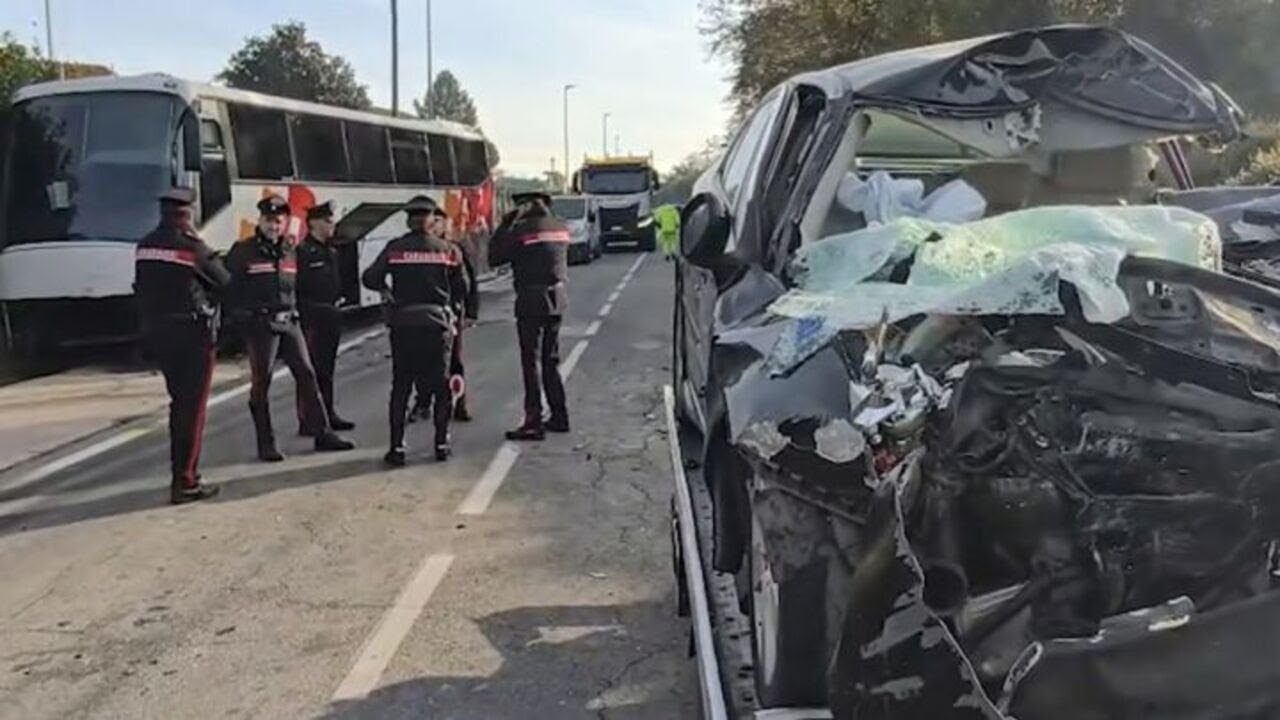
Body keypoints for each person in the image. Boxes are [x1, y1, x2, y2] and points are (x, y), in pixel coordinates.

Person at [225, 194, 355, 462]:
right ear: (260, 221)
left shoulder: (290, 250)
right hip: (261, 326)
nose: (274, 226)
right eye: (269, 221)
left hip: (290, 322)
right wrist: (242, 318)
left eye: (278, 222)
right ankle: (266, 443)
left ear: (285, 224)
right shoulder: (243, 251)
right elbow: (228, 289)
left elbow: (300, 286)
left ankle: (322, 433)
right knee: (262, 384)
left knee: (307, 375)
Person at [134, 187, 230, 504]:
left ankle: (183, 474)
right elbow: (225, 282)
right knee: (193, 410)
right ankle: (186, 481)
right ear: (188, 215)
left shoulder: (144, 246)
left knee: (179, 404)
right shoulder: (193, 248)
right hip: (193, 338)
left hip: (159, 335)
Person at [362, 195, 467, 466]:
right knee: (441, 386)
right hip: (437, 326)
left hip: (404, 326)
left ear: (409, 220)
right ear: (431, 220)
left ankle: (397, 448)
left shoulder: (395, 248)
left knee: (401, 386)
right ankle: (440, 444)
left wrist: (386, 291)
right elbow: (463, 287)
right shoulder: (448, 250)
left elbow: (370, 278)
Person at [489, 191, 571, 441]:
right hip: (557, 299)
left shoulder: (522, 230)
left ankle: (533, 422)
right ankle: (559, 416)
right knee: (551, 360)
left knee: (531, 363)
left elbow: (495, 258)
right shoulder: (559, 226)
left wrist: (505, 224)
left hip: (531, 300)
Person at [409, 205, 478, 423]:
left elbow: (469, 284)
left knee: (454, 361)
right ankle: (423, 402)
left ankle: (459, 404)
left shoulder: (453, 249)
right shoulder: (421, 249)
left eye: (439, 221)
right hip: (425, 315)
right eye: (433, 220)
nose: (434, 225)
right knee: (421, 360)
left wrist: (470, 312)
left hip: (451, 314)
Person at [295, 201, 356, 433]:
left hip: (331, 316)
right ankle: (308, 419)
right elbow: (298, 290)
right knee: (311, 371)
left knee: (327, 371)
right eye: (328, 221)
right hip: (312, 319)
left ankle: (327, 413)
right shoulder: (303, 253)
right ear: (314, 224)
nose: (333, 226)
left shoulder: (330, 251)